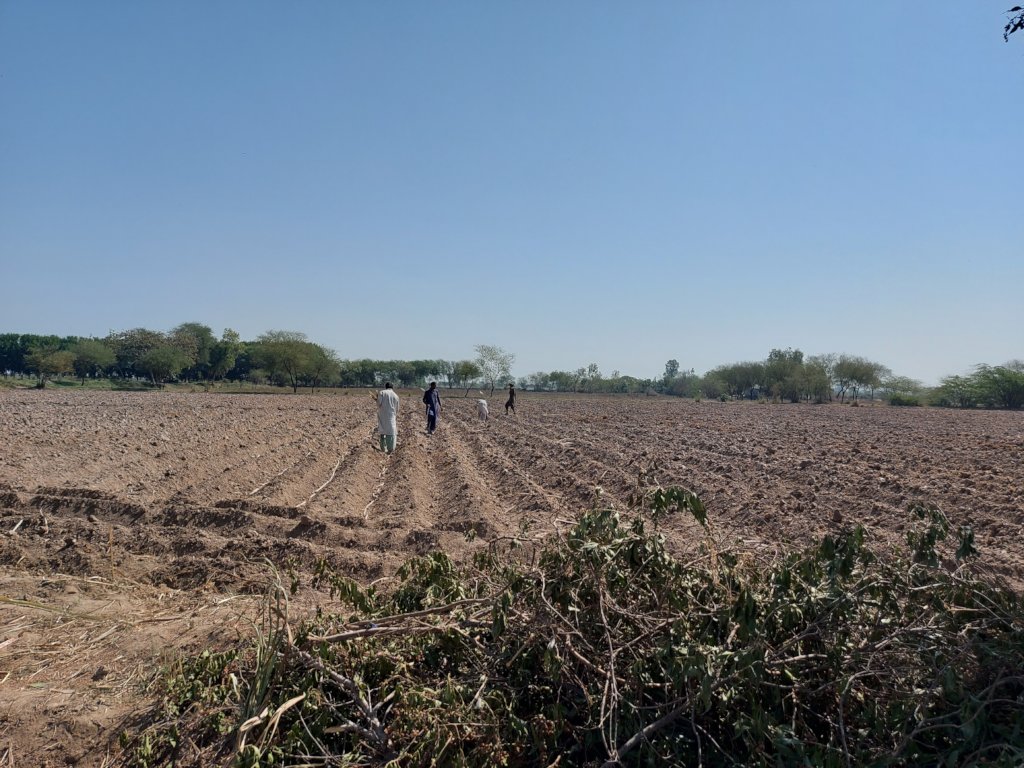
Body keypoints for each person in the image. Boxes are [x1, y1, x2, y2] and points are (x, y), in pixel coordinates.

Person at [377, 382, 399, 454]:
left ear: (385, 386)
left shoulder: (381, 393)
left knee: (382, 430)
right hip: (391, 415)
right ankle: (390, 449)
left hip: (382, 414)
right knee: (391, 431)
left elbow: (378, 404)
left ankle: (383, 448)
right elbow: (397, 409)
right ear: (392, 387)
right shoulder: (396, 396)